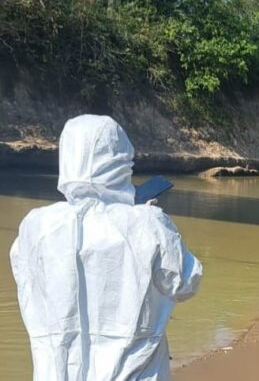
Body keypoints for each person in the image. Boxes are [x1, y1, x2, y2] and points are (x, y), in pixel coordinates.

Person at [10, 114, 202, 380]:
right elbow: (186, 283)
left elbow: (25, 277)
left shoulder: (35, 226)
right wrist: (153, 223)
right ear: (122, 161)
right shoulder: (147, 223)